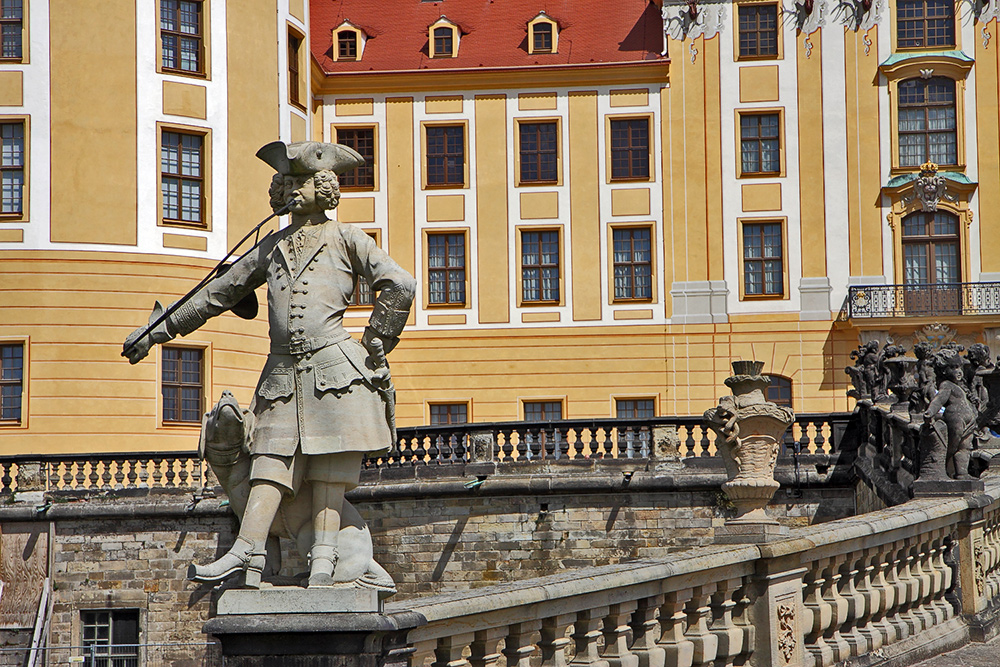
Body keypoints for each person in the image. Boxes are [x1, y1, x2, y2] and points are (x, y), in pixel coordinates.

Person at [123, 141, 416, 588]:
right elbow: (218, 292)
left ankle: (323, 560)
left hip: (334, 366)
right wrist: (159, 330)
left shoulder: (347, 238)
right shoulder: (272, 247)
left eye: (303, 182)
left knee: (327, 469)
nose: (293, 189)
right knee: (268, 458)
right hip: (282, 372)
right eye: (288, 182)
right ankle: (247, 552)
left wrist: (377, 338)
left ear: (324, 188)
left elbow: (400, 283)